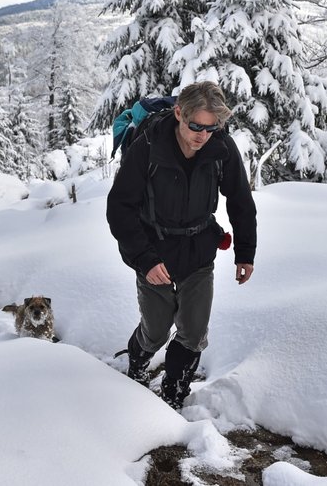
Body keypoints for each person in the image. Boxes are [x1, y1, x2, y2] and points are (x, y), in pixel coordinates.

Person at [107, 81, 257, 409]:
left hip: (198, 247)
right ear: (179, 113)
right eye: (195, 126)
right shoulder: (148, 145)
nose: (203, 135)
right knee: (157, 330)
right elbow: (119, 208)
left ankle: (175, 391)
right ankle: (136, 360)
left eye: (211, 127)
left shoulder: (221, 148)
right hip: (153, 247)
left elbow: (241, 201)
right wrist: (145, 260)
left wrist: (245, 251)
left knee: (193, 331)